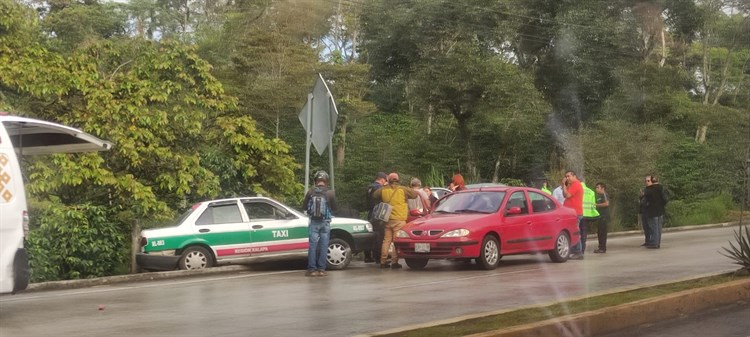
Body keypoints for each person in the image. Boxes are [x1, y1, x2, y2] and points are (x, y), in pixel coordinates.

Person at [371, 172, 418, 269]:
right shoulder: (403, 189)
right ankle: (394, 262)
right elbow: (415, 195)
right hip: (399, 219)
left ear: (388, 180)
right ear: (398, 180)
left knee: (386, 241)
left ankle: (383, 261)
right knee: (396, 241)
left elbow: (374, 195)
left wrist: (384, 187)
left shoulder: (383, 190)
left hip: (387, 219)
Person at [302, 171, 337, 277]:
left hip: (314, 222)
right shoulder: (330, 193)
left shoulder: (310, 192)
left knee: (312, 246)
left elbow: (304, 207)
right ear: (326, 181)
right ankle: (322, 269)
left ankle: (312, 270)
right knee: (324, 245)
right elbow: (335, 208)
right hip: (325, 222)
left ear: (316, 181)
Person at [363, 172, 388, 263]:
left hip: (370, 212)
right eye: (385, 180)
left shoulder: (369, 187)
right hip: (378, 212)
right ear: (382, 179)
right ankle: (378, 257)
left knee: (371, 234)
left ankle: (368, 256)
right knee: (379, 235)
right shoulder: (379, 188)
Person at [562, 170, 584, 260]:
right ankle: (574, 250)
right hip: (571, 213)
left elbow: (567, 195)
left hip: (575, 213)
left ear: (574, 176)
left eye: (569, 176)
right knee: (571, 232)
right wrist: (565, 185)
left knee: (574, 232)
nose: (567, 178)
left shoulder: (576, 184)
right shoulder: (571, 185)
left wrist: (564, 185)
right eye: (566, 176)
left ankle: (578, 252)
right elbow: (564, 194)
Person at [643, 175, 668, 249]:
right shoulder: (661, 188)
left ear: (651, 181)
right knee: (658, 228)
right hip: (660, 211)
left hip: (652, 211)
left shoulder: (649, 190)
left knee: (654, 227)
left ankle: (654, 243)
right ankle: (657, 243)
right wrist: (661, 205)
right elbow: (665, 199)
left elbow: (646, 200)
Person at [581, 181, 599, 256]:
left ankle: (578, 249)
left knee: (577, 232)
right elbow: (593, 205)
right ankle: (583, 249)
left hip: (579, 214)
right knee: (584, 233)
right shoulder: (591, 191)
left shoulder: (578, 190)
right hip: (588, 215)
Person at [594, 183, 610, 253]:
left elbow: (607, 203)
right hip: (599, 216)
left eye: (598, 187)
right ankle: (600, 247)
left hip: (604, 216)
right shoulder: (598, 196)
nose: (596, 189)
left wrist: (596, 205)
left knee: (603, 233)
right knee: (599, 232)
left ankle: (603, 248)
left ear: (602, 188)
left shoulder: (604, 194)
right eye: (596, 187)